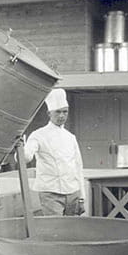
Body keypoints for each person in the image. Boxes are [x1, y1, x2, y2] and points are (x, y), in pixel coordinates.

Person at [24, 88, 86, 216]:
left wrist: (81, 197)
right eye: (58, 112)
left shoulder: (70, 137)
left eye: (65, 112)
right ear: (49, 114)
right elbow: (27, 156)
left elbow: (78, 167)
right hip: (50, 193)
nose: (62, 116)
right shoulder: (38, 135)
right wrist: (20, 150)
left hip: (72, 192)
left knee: (72, 231)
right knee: (55, 229)